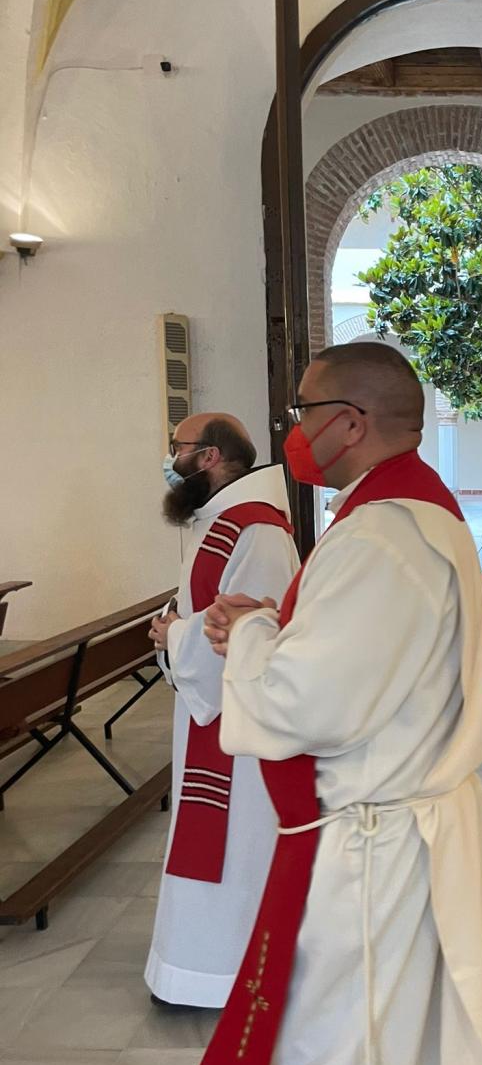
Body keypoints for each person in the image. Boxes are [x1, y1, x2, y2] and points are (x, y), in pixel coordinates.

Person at [134, 343, 482, 1065]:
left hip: (372, 842)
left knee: (316, 1060)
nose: (292, 429)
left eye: (302, 409)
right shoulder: (423, 512)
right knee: (436, 1032)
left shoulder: (380, 538)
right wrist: (277, 622)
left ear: (353, 421)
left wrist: (246, 629)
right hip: (420, 820)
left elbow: (301, 706)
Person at [146, 414, 299, 1008]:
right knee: (211, 839)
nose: (170, 460)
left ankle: (230, 974)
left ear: (209, 457)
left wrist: (176, 634)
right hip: (209, 717)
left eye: (177, 449)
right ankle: (196, 967)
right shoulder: (222, 521)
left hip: (238, 725)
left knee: (239, 847)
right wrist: (178, 630)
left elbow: (258, 632)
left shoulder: (256, 530)